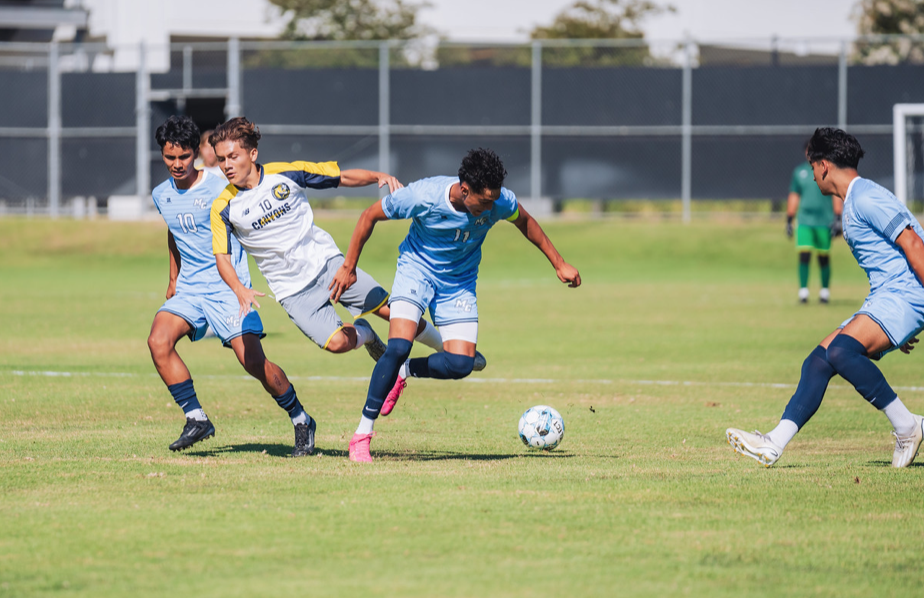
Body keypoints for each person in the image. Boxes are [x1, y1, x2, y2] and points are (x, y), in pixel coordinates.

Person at [329, 148, 582, 462]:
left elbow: (526, 222)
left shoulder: (498, 202)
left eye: (495, 199)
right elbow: (369, 216)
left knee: (461, 365)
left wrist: (559, 264)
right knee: (397, 346)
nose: (492, 207)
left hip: (458, 283)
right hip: (416, 272)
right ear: (465, 190)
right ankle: (362, 436)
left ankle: (405, 372)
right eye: (485, 200)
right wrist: (349, 266)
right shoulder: (423, 195)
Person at [727, 127, 924, 469]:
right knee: (818, 360)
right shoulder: (853, 200)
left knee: (841, 351)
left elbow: (914, 244)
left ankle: (908, 426)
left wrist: (910, 308)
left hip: (903, 294)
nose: (813, 175)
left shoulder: (864, 197)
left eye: (812, 166)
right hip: (890, 297)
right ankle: (774, 443)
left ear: (822, 166)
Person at [208, 117, 456, 369]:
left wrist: (377, 175)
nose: (226, 165)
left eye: (233, 156)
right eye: (221, 159)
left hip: (327, 264)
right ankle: (366, 334)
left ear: (252, 153)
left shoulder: (285, 173)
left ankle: (447, 349)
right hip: (291, 290)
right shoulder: (222, 207)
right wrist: (239, 288)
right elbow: (222, 257)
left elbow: (341, 177)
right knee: (337, 343)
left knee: (394, 313)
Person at [147, 115, 316, 457]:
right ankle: (196, 418)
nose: (177, 164)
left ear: (196, 153)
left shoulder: (222, 188)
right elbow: (174, 232)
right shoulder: (161, 194)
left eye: (183, 157)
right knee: (158, 340)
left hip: (228, 288)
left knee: (254, 363)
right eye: (169, 157)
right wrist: (172, 279)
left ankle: (301, 418)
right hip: (191, 289)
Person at [786, 139, 844, 303]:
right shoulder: (800, 172)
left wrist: (837, 217)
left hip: (824, 220)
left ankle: (824, 292)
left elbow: (835, 194)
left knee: (823, 257)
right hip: (805, 219)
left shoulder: (827, 170)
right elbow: (794, 195)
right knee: (804, 254)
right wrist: (789, 219)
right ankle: (803, 292)